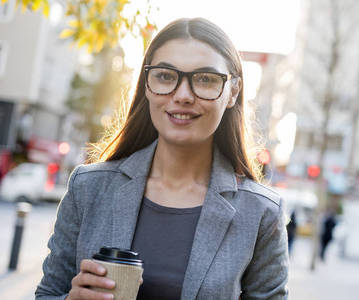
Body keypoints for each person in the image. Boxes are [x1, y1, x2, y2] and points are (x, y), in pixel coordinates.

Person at [35, 18, 289, 300]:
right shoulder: (88, 187)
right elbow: (48, 293)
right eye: (166, 76)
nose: (182, 95)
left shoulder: (261, 212)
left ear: (233, 92)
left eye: (205, 79)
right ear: (146, 84)